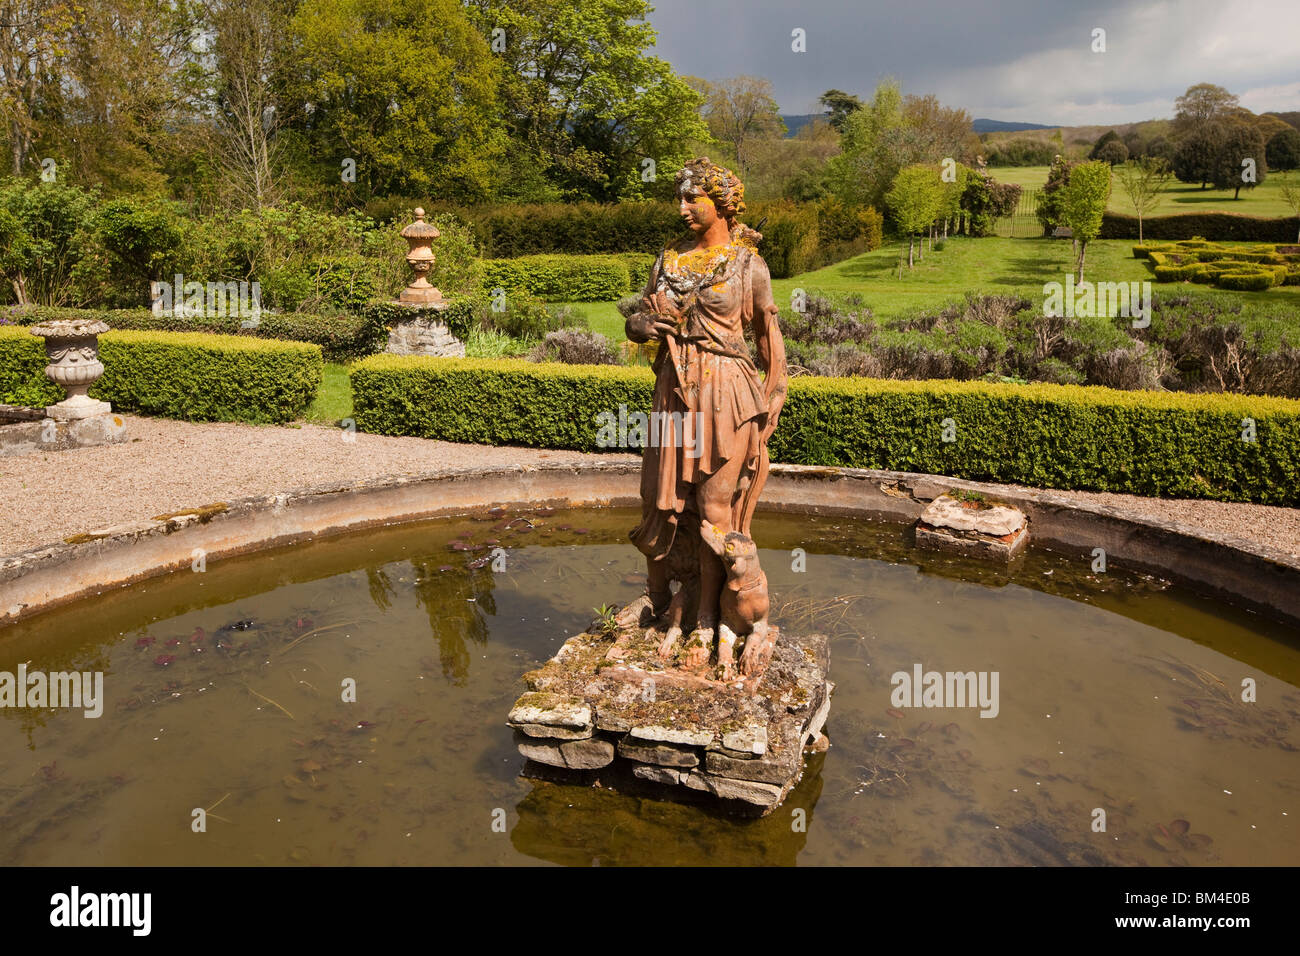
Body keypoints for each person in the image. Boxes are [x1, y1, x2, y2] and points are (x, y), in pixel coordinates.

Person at [621, 157, 787, 675]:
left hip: (727, 394)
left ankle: (709, 618)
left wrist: (771, 400)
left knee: (718, 509)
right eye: (681, 198)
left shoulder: (747, 265)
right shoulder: (667, 260)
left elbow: (767, 338)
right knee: (657, 498)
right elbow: (637, 317)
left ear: (721, 202)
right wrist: (643, 326)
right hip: (672, 389)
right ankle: (660, 597)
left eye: (693, 198)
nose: (683, 207)